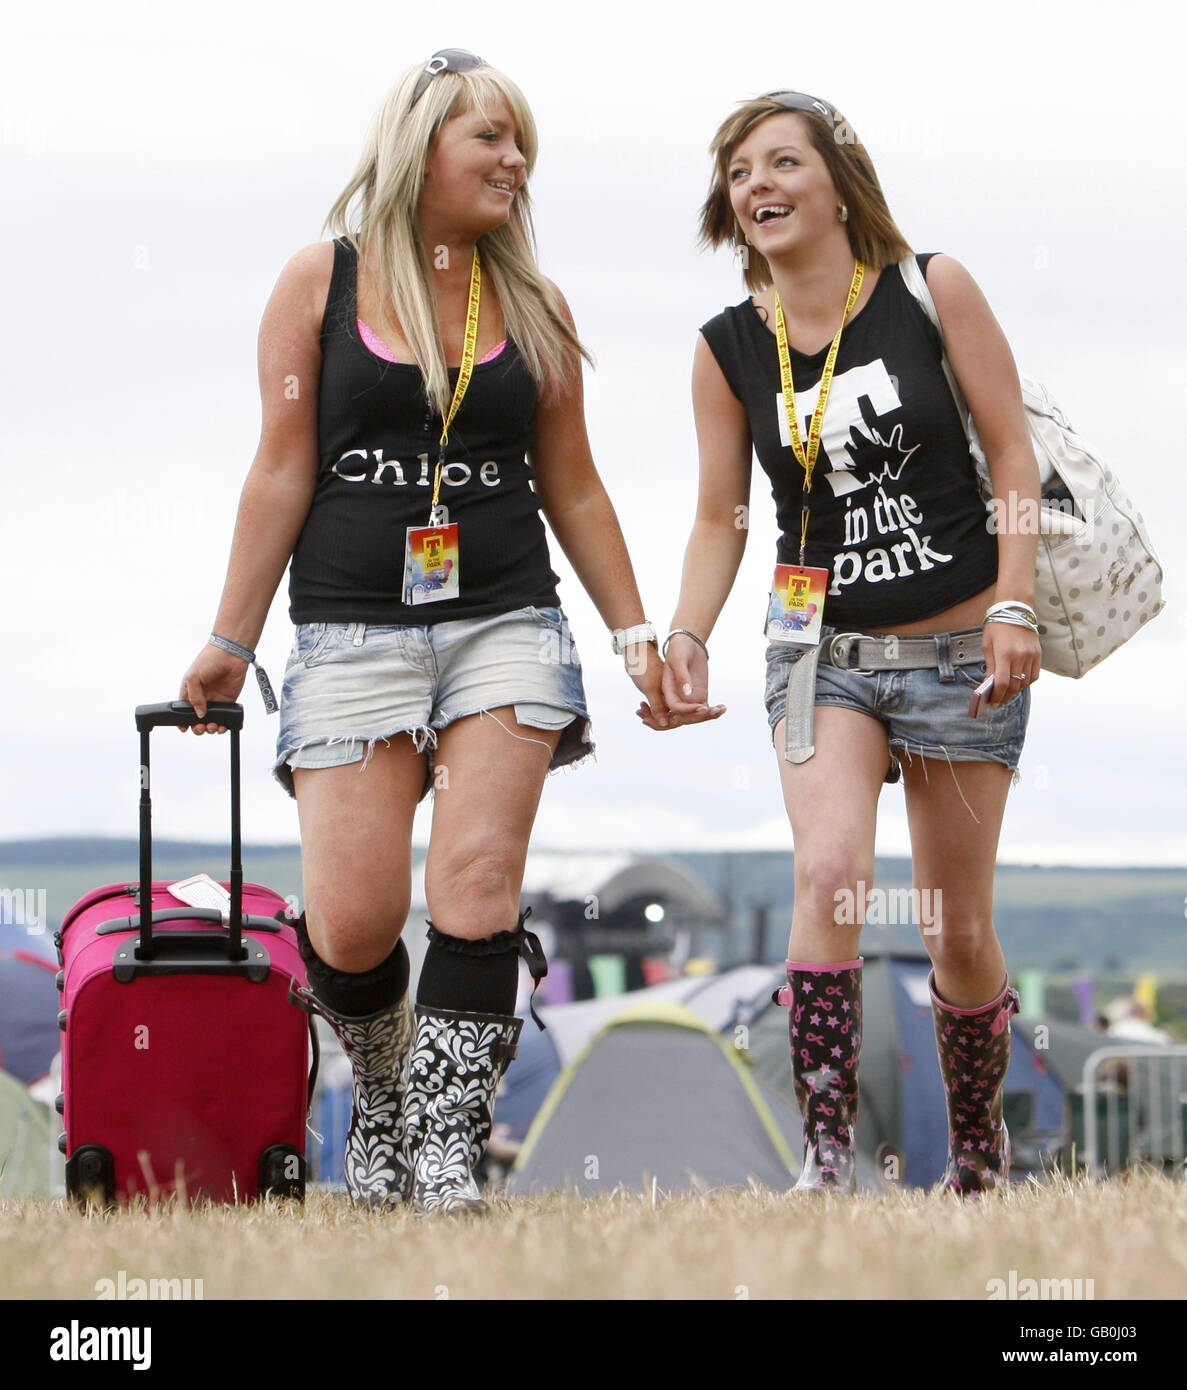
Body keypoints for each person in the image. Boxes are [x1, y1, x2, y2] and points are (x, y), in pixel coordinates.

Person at [178, 50, 668, 1214]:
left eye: (520, 144)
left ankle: (447, 1146)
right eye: (489, 138)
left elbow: (576, 485)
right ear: (419, 147)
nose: (514, 161)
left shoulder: (534, 304)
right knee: (348, 924)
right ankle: (388, 1090)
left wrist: (633, 629)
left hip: (506, 616)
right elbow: (279, 469)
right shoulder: (319, 282)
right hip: (350, 631)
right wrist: (229, 643)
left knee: (477, 881)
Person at [643, 91, 1041, 1195]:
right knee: (827, 875)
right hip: (820, 655)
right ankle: (825, 1159)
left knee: (956, 925)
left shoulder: (927, 288)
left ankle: (974, 1155)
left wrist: (1013, 602)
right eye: (738, 174)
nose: (757, 186)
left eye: (781, 163)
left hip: (964, 650)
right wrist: (687, 629)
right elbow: (718, 515)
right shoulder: (725, 348)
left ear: (835, 181)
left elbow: (1010, 457)